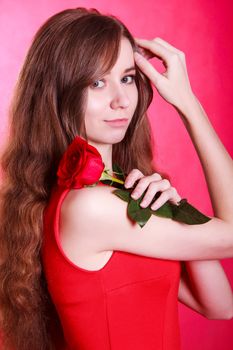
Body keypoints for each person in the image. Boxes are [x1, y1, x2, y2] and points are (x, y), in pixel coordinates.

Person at [0, 6, 233, 350]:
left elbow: (218, 305)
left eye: (126, 78)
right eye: (97, 83)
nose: (121, 100)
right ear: (59, 94)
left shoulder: (118, 193)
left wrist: (176, 208)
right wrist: (187, 103)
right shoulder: (88, 207)